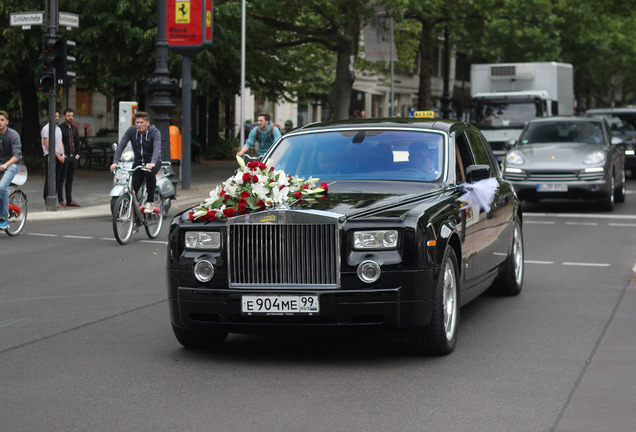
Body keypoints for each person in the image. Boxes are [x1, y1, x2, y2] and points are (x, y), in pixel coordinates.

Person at [110, 111, 161, 213]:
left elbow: (157, 149)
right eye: (137, 122)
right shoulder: (132, 131)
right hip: (138, 162)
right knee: (134, 187)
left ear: (147, 123)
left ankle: (150, 202)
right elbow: (121, 146)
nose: (139, 125)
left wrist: (152, 162)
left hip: (152, 161)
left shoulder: (154, 132)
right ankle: (134, 213)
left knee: (149, 173)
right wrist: (115, 162)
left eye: (141, 122)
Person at [0, 110, 23, 230]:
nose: (0, 122)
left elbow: (17, 155)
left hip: (12, 164)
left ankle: (4, 219)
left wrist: (5, 165)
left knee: (2, 187)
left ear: (7, 122)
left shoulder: (13, 135)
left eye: (2, 120)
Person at [41, 111, 66, 207]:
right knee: (50, 178)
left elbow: (60, 143)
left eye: (58, 116)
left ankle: (54, 197)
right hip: (50, 156)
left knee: (57, 178)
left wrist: (63, 155)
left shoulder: (58, 129)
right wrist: (58, 156)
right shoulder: (46, 129)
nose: (57, 118)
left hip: (59, 156)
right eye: (55, 116)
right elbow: (48, 145)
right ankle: (47, 198)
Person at [58, 108, 81, 207]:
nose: (71, 117)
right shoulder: (60, 128)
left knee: (70, 179)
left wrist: (78, 154)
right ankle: (60, 200)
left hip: (73, 157)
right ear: (64, 117)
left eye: (72, 116)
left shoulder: (74, 129)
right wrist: (62, 155)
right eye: (69, 116)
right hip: (65, 157)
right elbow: (60, 142)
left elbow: (77, 142)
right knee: (61, 179)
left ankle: (69, 200)